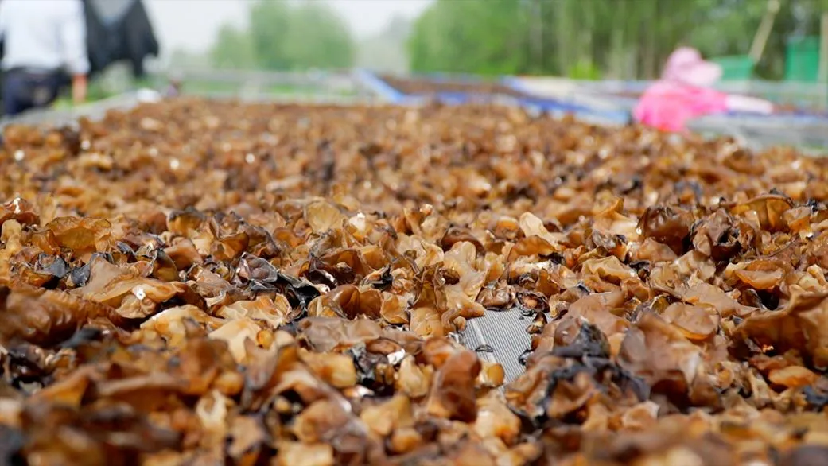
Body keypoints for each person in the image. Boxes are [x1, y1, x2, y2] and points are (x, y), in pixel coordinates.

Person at [634, 47, 774, 133]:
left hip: (651, 145)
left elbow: (638, 116)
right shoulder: (692, 95)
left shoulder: (653, 91)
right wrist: (768, 107)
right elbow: (731, 102)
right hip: (679, 146)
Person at [0, 0, 90, 117]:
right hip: (48, 81)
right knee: (48, 130)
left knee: (12, 131)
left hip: (16, 80)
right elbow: (74, 46)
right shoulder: (67, 3)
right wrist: (79, 83)